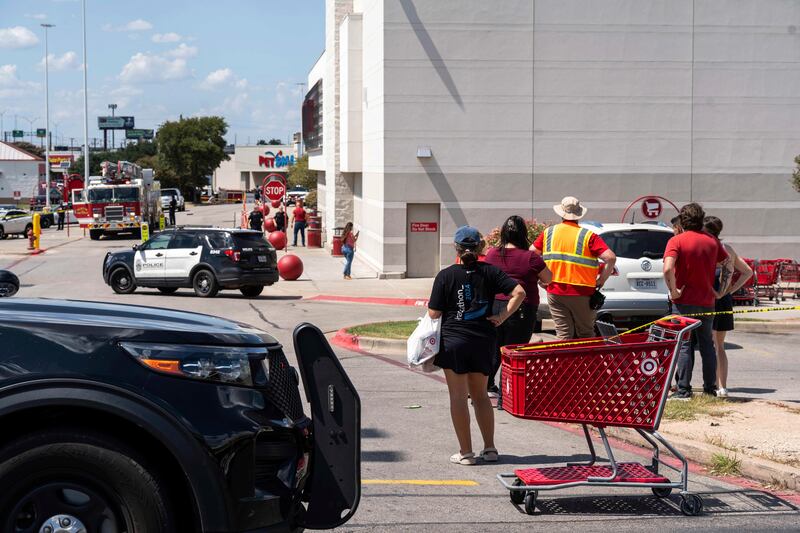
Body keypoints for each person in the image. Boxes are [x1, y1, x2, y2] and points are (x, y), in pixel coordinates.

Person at [428, 226, 526, 465]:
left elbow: (433, 313)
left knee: (458, 397)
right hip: (483, 340)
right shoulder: (491, 272)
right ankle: (490, 448)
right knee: (481, 395)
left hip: (454, 342)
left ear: (457, 249)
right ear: (481, 248)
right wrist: (502, 316)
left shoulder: (446, 275)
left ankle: (466, 452)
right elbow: (519, 292)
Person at [663, 203, 732, 400]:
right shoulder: (711, 241)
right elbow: (728, 265)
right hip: (707, 301)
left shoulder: (676, 241)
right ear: (701, 219)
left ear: (682, 220)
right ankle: (710, 388)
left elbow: (668, 269)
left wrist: (673, 290)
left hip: (683, 302)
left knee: (684, 345)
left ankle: (684, 389)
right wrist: (721, 291)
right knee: (707, 346)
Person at [484, 215, 552, 402]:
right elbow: (548, 278)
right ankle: (509, 392)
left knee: (494, 348)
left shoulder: (491, 254)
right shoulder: (530, 258)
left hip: (496, 306)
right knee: (515, 350)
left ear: (504, 233)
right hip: (522, 308)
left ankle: (487, 386)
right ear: (523, 234)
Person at [532, 196, 617, 340]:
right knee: (586, 334)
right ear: (578, 215)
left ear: (561, 214)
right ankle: (586, 363)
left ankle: (564, 363)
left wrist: (541, 278)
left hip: (555, 291)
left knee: (563, 334)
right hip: (582, 292)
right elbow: (611, 257)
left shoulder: (548, 233)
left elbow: (531, 254)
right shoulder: (588, 236)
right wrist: (601, 280)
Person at [703, 216, 754, 398]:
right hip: (723, 299)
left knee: (705, 344)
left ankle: (709, 385)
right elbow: (748, 271)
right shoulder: (728, 249)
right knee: (719, 345)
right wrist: (731, 289)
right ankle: (722, 386)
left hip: (707, 298)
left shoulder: (708, 248)